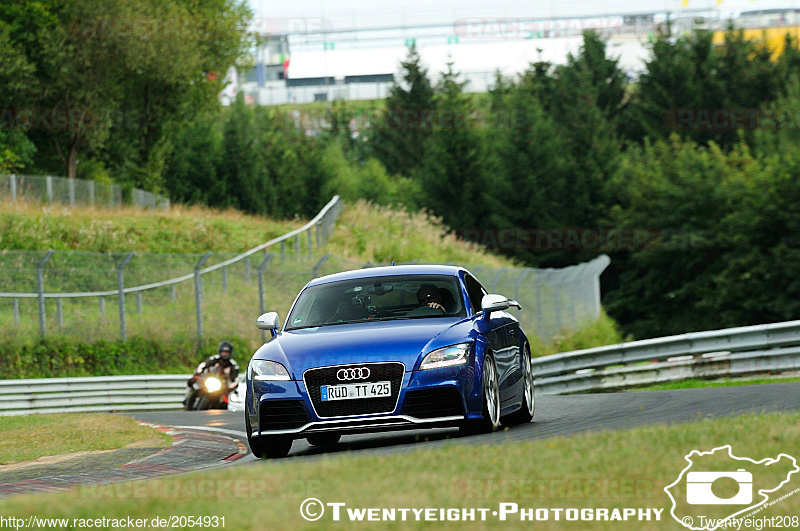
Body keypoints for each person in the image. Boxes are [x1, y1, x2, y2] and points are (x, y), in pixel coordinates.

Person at [183, 341, 240, 410]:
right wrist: (196, 376)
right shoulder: (214, 359)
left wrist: (228, 389)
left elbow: (236, 380)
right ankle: (187, 404)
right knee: (194, 387)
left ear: (230, 353)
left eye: (226, 352)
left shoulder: (234, 365)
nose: (224, 354)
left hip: (223, 388)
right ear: (220, 352)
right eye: (223, 352)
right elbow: (202, 366)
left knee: (226, 401)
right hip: (209, 381)